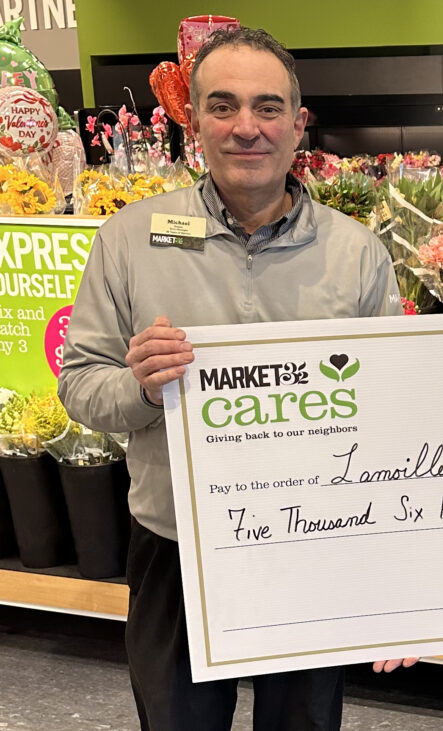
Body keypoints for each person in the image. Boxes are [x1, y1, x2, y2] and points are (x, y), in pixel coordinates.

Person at [57, 27, 415, 730]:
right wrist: (142, 388)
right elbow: (79, 384)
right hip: (176, 546)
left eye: (267, 107)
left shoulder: (357, 254)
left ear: (298, 124)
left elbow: (392, 418)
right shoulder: (128, 239)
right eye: (222, 106)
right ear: (193, 121)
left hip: (312, 541)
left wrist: (394, 575)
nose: (246, 126)